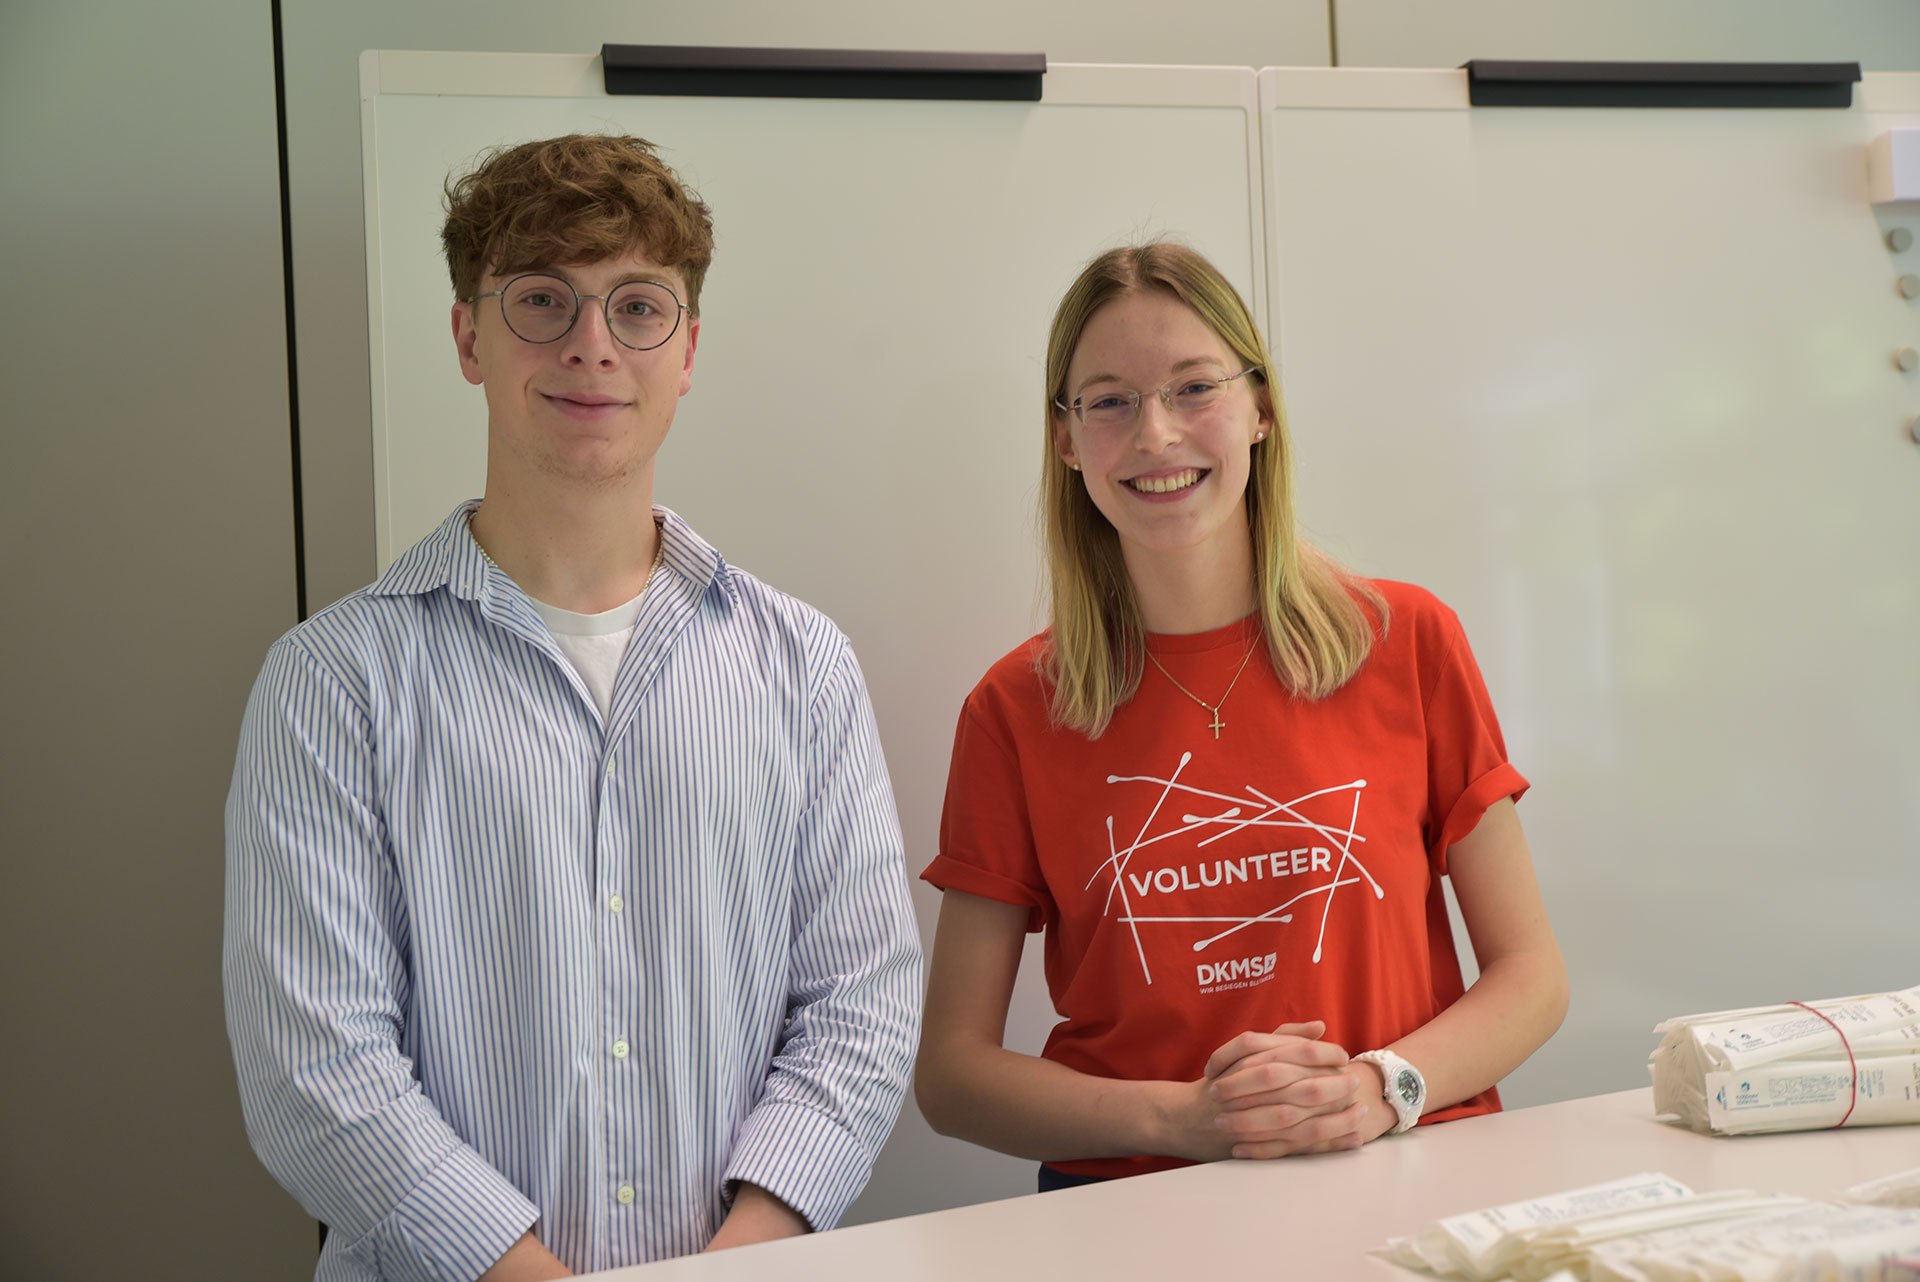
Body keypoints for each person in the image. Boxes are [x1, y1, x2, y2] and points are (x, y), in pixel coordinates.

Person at [223, 134, 922, 1280]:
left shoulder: (803, 665)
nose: (592, 346)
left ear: (688, 349)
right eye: (543, 301)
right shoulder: (333, 681)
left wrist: (738, 1260)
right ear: (468, 338)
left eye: (638, 306)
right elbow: (320, 1070)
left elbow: (861, 1007)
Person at [914, 241, 1568, 1190]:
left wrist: (1381, 1088)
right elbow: (953, 1075)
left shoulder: (1408, 640)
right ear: (1066, 441)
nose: (1156, 434)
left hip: (1409, 1176)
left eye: (1193, 388)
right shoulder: (1014, 711)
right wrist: (1184, 1118)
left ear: (1260, 409)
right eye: (1109, 400)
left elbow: (1532, 977)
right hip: (1137, 1209)